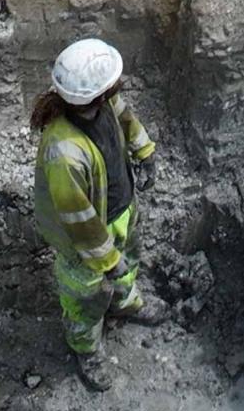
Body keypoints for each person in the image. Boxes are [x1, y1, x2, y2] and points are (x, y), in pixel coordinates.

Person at [33, 36, 164, 388]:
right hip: (84, 241)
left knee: (129, 261)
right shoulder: (64, 152)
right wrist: (106, 259)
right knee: (84, 296)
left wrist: (144, 151)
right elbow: (79, 220)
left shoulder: (106, 103)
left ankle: (126, 302)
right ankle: (86, 350)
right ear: (94, 94)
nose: (117, 89)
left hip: (119, 210)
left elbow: (127, 120)